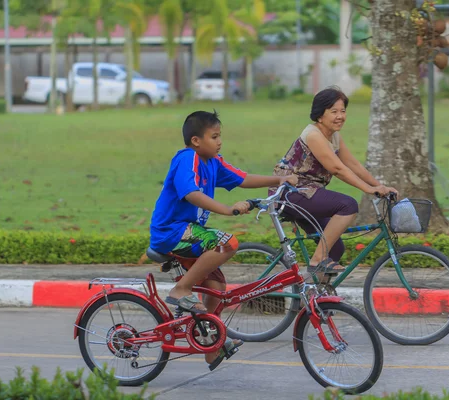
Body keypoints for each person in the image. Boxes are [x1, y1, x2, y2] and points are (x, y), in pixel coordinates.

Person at [149, 110, 298, 369]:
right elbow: (191, 193)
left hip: (189, 234)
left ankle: (210, 347)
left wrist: (281, 179)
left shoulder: (213, 162)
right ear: (196, 140)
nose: (219, 142)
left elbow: (243, 178)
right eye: (214, 136)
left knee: (216, 288)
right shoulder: (187, 158)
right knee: (228, 243)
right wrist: (227, 210)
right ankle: (182, 289)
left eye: (220, 136)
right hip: (171, 232)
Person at [269, 86, 398, 275]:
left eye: (343, 111)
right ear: (320, 115)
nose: (340, 116)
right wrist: (369, 190)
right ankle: (317, 260)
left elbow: (352, 164)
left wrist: (378, 185)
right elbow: (337, 169)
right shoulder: (313, 135)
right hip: (289, 193)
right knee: (348, 205)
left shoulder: (334, 135)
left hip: (307, 192)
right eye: (334, 111)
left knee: (336, 248)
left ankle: (317, 298)